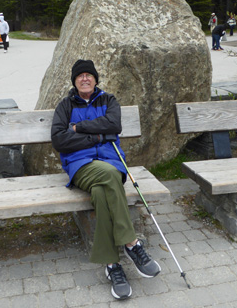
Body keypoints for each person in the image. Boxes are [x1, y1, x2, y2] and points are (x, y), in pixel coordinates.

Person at [51, 59, 161, 300]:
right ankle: (132, 244)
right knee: (110, 176)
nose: (85, 79)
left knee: (102, 192)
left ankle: (112, 265)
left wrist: (78, 128)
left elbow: (114, 125)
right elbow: (59, 140)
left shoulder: (108, 100)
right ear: (74, 81)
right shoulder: (65, 106)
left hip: (112, 161)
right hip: (81, 165)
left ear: (96, 79)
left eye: (89, 75)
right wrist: (97, 138)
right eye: (80, 76)